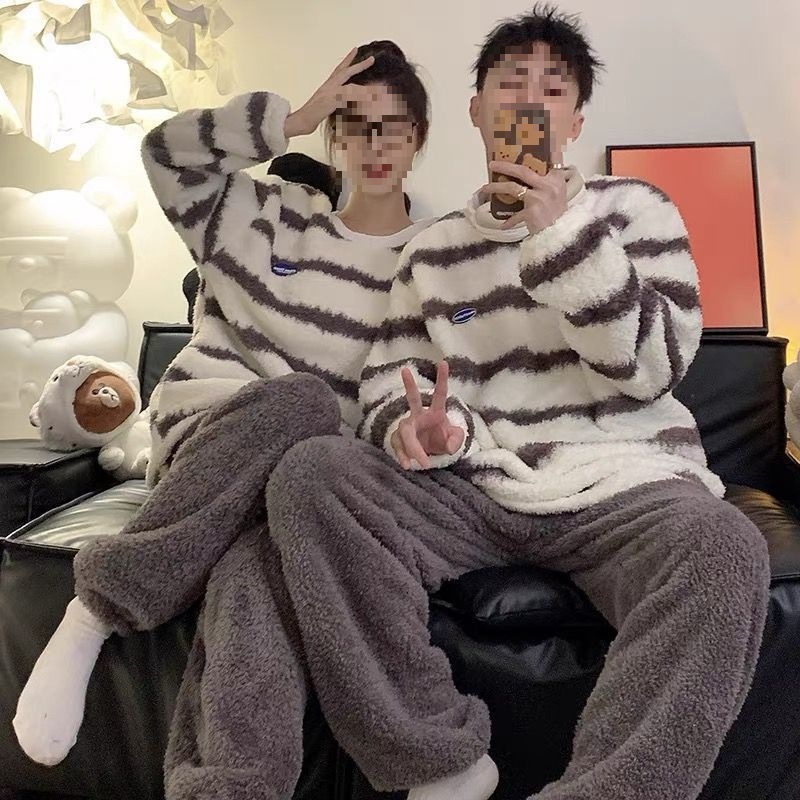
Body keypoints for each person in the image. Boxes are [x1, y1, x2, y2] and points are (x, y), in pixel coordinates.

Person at [263, 6, 772, 800]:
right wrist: (418, 428)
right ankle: (438, 763)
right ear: (476, 110)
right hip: (478, 486)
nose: (528, 104)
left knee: (726, 547)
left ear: (574, 122)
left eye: (551, 91)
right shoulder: (432, 250)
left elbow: (656, 368)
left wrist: (563, 237)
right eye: (510, 85)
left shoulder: (637, 210)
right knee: (313, 473)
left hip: (624, 485)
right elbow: (389, 378)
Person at [13, 39, 439, 800]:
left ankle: (228, 785)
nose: (375, 145)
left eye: (394, 127)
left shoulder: (436, 260)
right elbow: (164, 154)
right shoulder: (268, 216)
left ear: (420, 139)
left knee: (262, 564)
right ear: (333, 137)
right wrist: (291, 118)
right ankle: (95, 610)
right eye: (354, 124)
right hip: (210, 439)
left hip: (300, 483)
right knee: (305, 401)